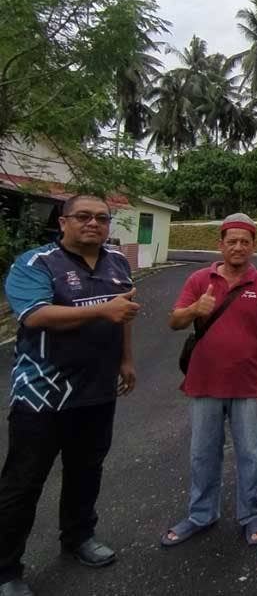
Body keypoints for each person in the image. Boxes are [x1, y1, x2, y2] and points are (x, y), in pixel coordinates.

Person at [0, 194, 139, 596]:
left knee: (86, 471)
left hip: (96, 392)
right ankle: (6, 569)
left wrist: (127, 360)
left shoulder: (117, 262)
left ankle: (78, 537)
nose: (93, 223)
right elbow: (36, 315)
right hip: (42, 397)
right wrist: (101, 311)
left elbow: (123, 312)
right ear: (63, 222)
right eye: (83, 216)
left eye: (101, 218)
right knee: (23, 483)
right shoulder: (36, 263)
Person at [162, 213, 257, 548]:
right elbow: (174, 321)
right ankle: (201, 514)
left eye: (245, 241)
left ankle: (253, 513)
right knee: (203, 453)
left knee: (251, 453)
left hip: (248, 385)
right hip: (204, 383)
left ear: (253, 246)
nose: (238, 247)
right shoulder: (199, 280)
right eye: (231, 241)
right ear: (220, 244)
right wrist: (194, 310)